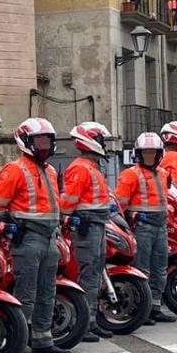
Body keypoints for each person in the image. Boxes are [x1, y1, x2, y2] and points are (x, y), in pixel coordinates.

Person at [0, 118, 70, 353]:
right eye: (40, 141)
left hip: (49, 238)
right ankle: (20, 344)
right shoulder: (15, 169)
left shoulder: (51, 170)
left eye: (47, 140)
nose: (45, 145)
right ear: (26, 142)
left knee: (48, 291)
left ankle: (42, 338)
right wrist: (9, 227)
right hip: (29, 238)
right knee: (26, 293)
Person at [112, 132, 176, 323]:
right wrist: (124, 223)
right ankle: (142, 308)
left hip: (160, 227)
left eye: (153, 153)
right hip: (142, 227)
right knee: (141, 269)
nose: (150, 157)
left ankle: (155, 306)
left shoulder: (164, 174)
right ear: (139, 154)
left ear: (159, 154)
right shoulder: (130, 174)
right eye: (146, 153)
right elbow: (120, 203)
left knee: (160, 269)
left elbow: (167, 198)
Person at [59, 123, 114, 342]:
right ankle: (84, 323)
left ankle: (91, 320)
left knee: (94, 272)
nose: (104, 144)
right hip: (87, 226)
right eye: (101, 139)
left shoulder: (92, 166)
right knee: (88, 274)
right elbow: (68, 201)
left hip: (96, 225)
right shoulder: (81, 167)